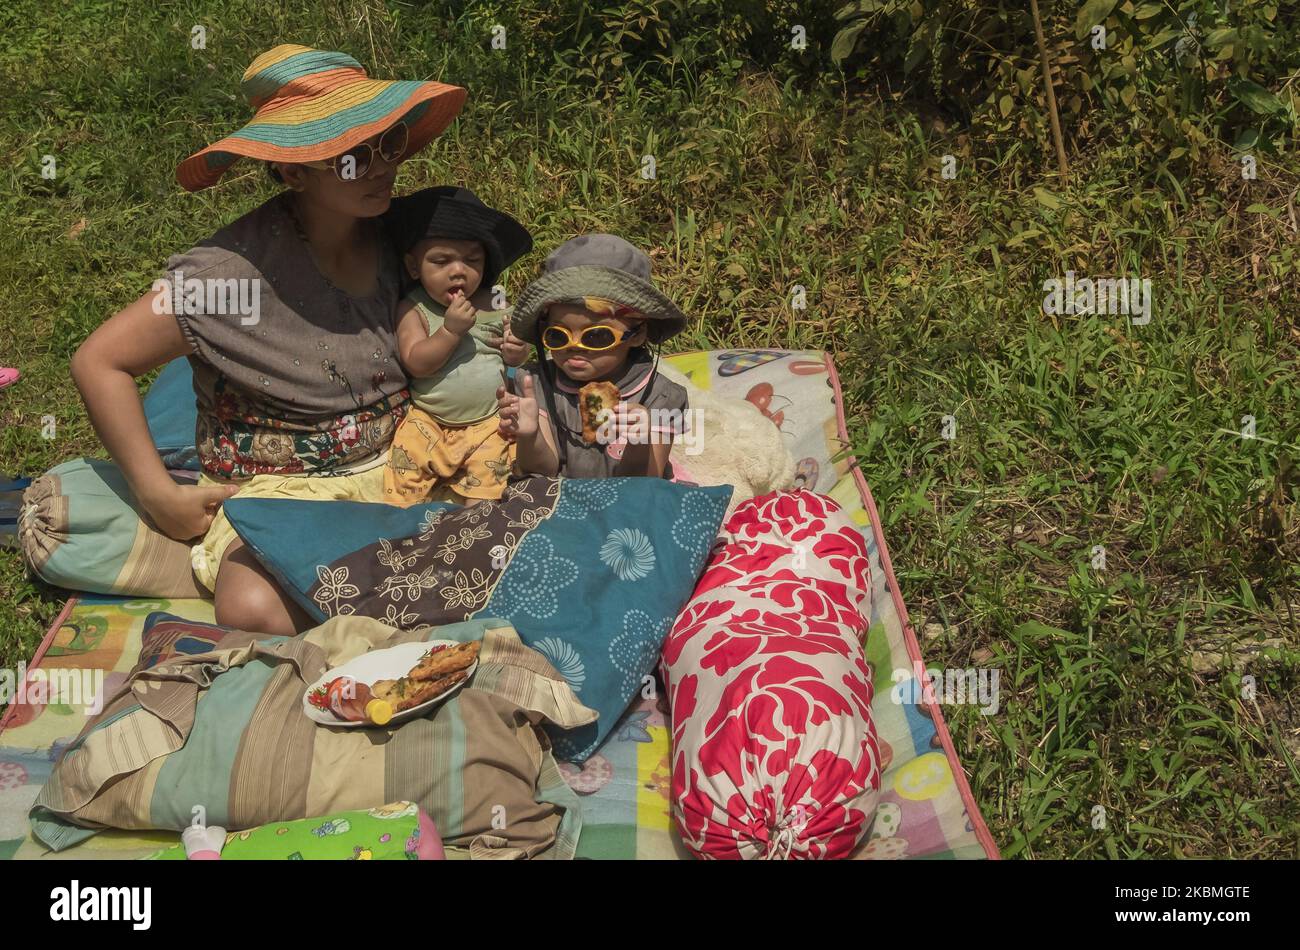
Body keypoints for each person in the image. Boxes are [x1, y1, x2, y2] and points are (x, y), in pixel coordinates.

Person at [70, 44, 467, 635]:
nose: (382, 165)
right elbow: (98, 360)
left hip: (405, 458)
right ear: (291, 171)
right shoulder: (227, 276)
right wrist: (158, 495)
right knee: (251, 608)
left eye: (388, 143)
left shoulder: (396, 239)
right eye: (353, 155)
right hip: (283, 491)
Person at [380, 187, 532, 504]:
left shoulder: (494, 299)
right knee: (404, 473)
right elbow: (415, 362)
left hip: (489, 421)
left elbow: (517, 356)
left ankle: (476, 530)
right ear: (413, 266)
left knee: (489, 483)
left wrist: (516, 350)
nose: (458, 270)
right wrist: (450, 331)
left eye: (472, 260)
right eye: (441, 261)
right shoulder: (414, 308)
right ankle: (404, 527)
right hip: (430, 421)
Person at [497, 234, 689, 479]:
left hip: (628, 503)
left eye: (596, 336)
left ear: (638, 333)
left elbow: (646, 485)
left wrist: (640, 441)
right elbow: (542, 471)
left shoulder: (661, 397)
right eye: (558, 335)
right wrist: (530, 434)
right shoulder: (536, 385)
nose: (574, 346)